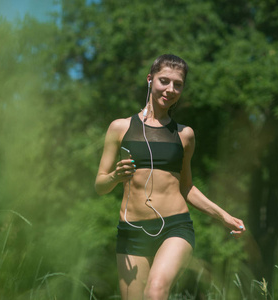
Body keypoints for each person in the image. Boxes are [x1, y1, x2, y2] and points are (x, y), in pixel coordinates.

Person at [95, 54, 246, 300]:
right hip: (131, 231)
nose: (170, 89)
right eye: (164, 81)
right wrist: (114, 176)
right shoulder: (120, 127)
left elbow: (187, 187)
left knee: (155, 291)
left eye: (178, 84)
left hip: (175, 226)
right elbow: (100, 185)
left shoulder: (185, 135)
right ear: (150, 80)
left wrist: (225, 217)